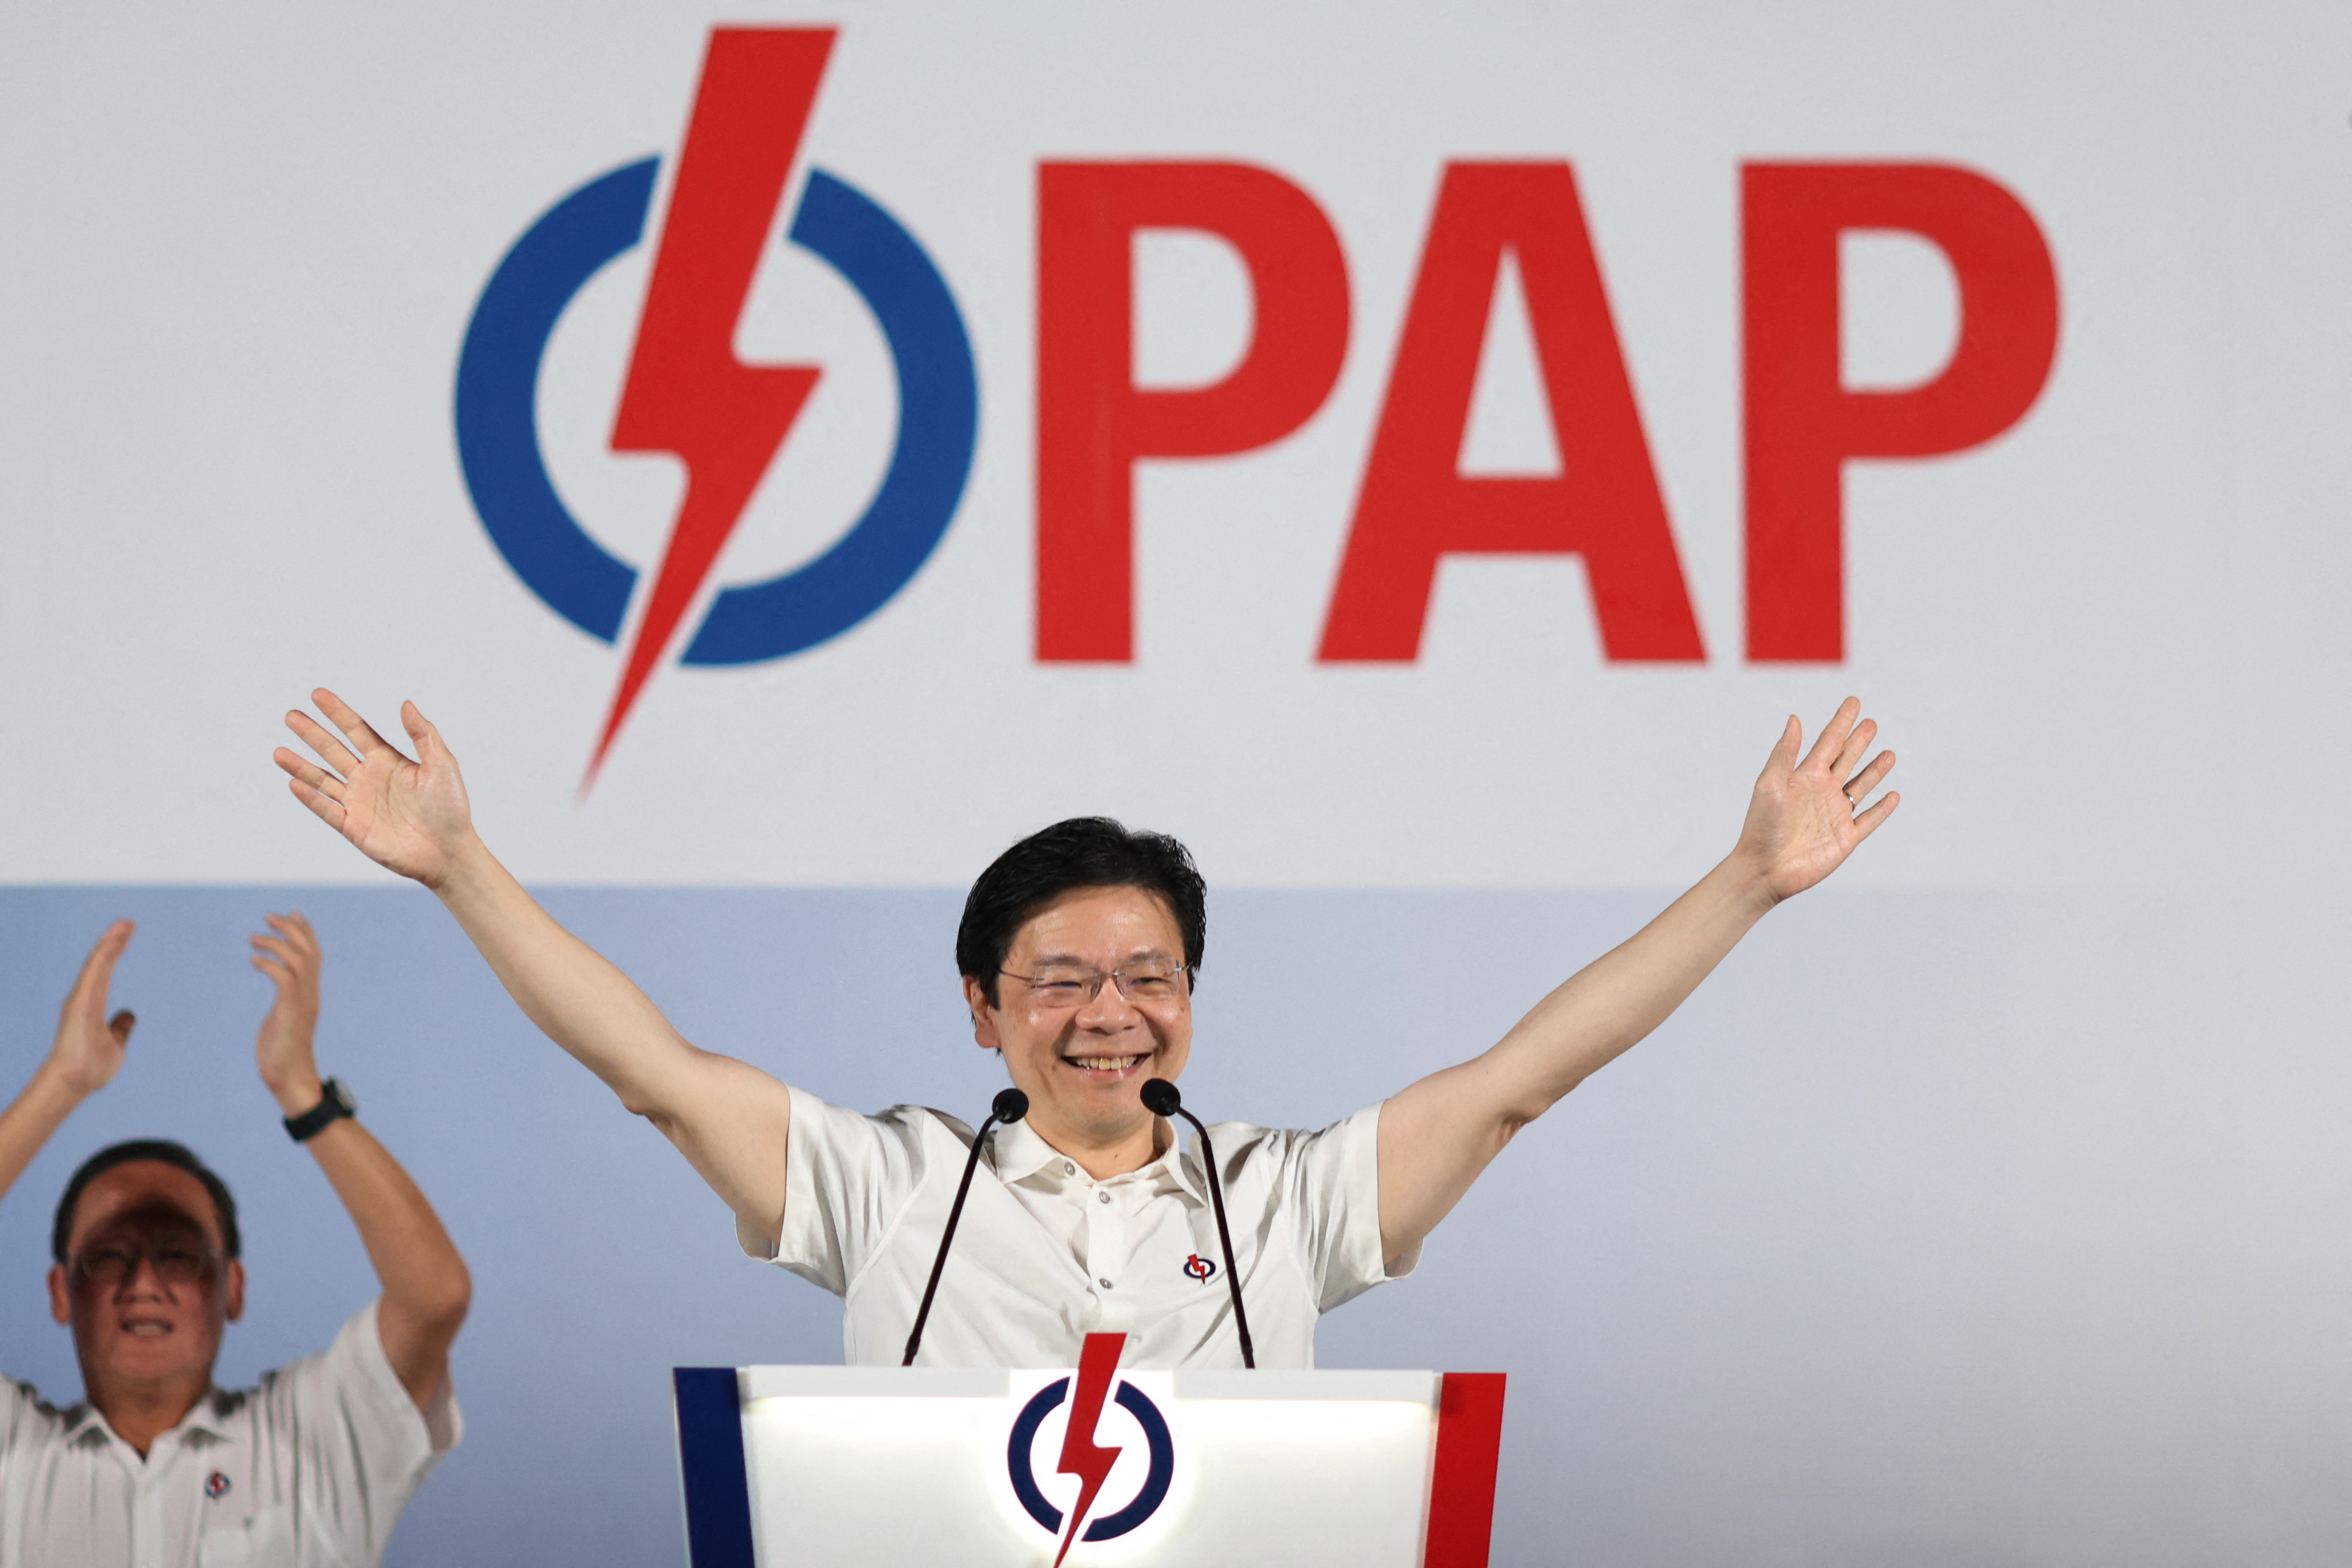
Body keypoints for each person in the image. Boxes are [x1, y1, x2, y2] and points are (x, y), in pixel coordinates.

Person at [273, 689, 1895, 1369]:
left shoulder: (1281, 1197)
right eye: (1060, 978)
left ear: (1188, 999)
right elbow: (649, 1070)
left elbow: (1518, 1082)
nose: (1110, 1014)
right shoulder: (889, 1185)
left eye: (1148, 974)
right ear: (981, 1009)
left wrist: (1746, 880)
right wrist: (460, 866)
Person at [0, 912, 469, 1566]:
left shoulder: (313, 1440)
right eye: (110, 1255)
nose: (143, 1285)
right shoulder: (12, 1455)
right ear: (59, 1290)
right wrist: (63, 1082)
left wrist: (302, 1092)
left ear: (234, 1286)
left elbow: (434, 1298)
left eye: (177, 1254)